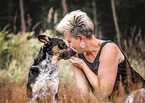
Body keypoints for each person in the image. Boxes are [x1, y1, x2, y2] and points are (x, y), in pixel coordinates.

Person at [55, 10, 145, 101]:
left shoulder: (109, 49)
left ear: (81, 38)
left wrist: (83, 66)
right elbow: (83, 95)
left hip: (136, 95)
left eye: (69, 41)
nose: (69, 45)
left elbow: (104, 92)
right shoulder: (78, 58)